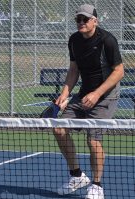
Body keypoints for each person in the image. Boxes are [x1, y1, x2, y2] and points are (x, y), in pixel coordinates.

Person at [54, 4, 124, 199]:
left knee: (93, 140)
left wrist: (96, 94)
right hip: (84, 94)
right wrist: (65, 93)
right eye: (78, 19)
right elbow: (74, 70)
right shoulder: (74, 40)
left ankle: (97, 185)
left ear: (95, 20)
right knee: (59, 129)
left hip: (106, 95)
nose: (81, 23)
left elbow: (119, 71)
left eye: (86, 19)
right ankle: (77, 176)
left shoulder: (107, 40)